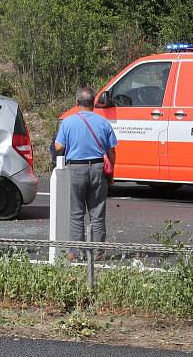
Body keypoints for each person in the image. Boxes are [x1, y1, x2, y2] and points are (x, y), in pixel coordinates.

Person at [54, 87, 118, 261]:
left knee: (76, 212)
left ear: (77, 103)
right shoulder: (103, 122)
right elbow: (112, 150)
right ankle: (98, 252)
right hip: (98, 168)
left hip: (76, 169)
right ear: (93, 103)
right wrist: (111, 171)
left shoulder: (68, 122)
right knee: (97, 212)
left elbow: (59, 147)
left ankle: (75, 252)